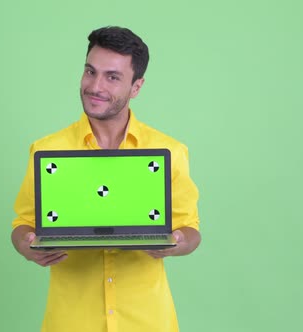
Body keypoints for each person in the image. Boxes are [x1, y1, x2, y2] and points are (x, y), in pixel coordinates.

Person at [11, 26, 201, 332]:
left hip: (147, 321)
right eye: (90, 71)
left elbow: (190, 229)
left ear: (136, 87)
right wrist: (27, 245)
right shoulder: (47, 151)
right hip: (71, 322)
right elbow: (22, 223)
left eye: (112, 77)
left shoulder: (170, 152)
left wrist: (176, 242)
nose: (95, 86)